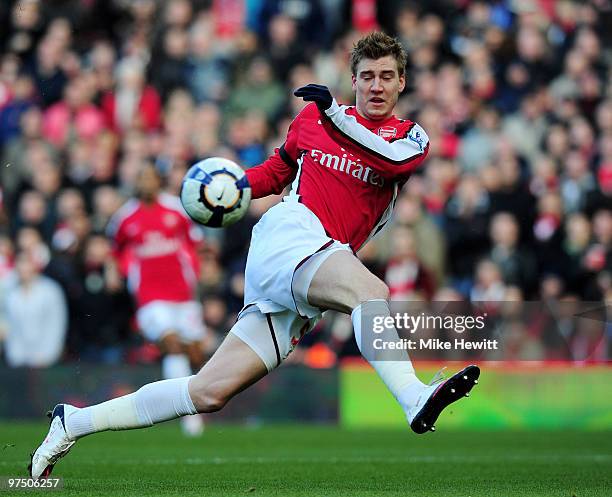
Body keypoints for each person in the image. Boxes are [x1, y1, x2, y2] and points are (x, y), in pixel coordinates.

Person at [29, 32, 479, 479]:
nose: (376, 86)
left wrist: (335, 116)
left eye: (386, 77)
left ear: (402, 82)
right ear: (354, 81)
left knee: (208, 391)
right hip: (291, 235)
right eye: (366, 77)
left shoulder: (409, 137)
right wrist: (231, 189)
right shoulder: (314, 120)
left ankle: (73, 421)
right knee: (370, 289)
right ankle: (413, 398)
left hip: (319, 260)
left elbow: (390, 162)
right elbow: (279, 171)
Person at [105, 163, 207, 436]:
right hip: (150, 298)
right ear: (136, 183)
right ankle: (188, 415)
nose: (146, 183)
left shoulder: (177, 209)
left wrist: (203, 271)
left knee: (195, 352)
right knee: (171, 344)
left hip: (183, 294)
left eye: (150, 177)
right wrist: (113, 273)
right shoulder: (125, 218)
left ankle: (200, 401)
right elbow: (114, 252)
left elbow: (196, 243)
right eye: (141, 178)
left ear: (158, 181)